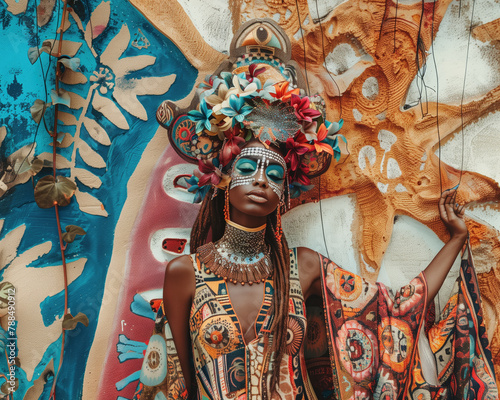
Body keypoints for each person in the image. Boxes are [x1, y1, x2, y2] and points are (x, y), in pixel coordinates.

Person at [132, 65, 497, 399]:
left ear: (283, 194)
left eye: (275, 175)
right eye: (248, 167)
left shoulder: (301, 268)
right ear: (224, 179)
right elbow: (181, 385)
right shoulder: (185, 273)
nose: (261, 179)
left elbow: (396, 309)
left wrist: (456, 241)